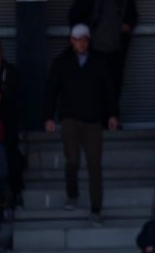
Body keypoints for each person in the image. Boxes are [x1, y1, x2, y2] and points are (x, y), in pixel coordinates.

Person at [42, 24, 120, 220]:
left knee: (94, 164)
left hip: (93, 119)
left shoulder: (99, 62)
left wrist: (112, 114)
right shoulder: (61, 62)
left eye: (85, 39)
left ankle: (96, 208)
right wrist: (49, 117)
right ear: (71, 41)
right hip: (70, 118)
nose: (82, 43)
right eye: (78, 39)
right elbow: (51, 91)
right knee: (72, 160)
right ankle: (72, 195)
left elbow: (109, 91)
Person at [68, 0, 138, 103]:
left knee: (114, 86)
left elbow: (133, 16)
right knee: (91, 85)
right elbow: (74, 15)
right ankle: (94, 119)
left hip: (116, 51)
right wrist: (82, 37)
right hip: (92, 49)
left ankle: (112, 119)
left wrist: (128, 24)